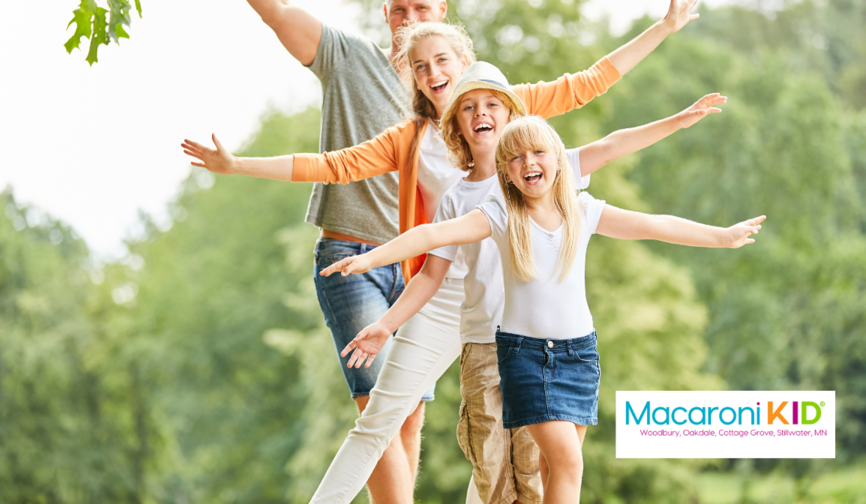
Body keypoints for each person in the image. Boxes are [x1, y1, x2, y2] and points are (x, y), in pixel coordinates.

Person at [321, 116, 765, 504]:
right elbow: (430, 236)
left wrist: (721, 236)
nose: (528, 163)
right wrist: (369, 259)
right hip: (527, 359)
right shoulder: (498, 216)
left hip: (580, 359)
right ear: (505, 173)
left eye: (537, 153)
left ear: (557, 160)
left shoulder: (582, 211)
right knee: (568, 463)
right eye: (514, 158)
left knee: (554, 472)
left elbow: (656, 225)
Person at [193, 0, 450, 500]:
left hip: (418, 269)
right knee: (377, 410)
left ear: (441, 11)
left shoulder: (452, 91)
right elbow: (277, 9)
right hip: (350, 257)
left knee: (409, 414)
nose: (409, 20)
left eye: (420, 9)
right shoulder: (347, 57)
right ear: (386, 16)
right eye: (398, 11)